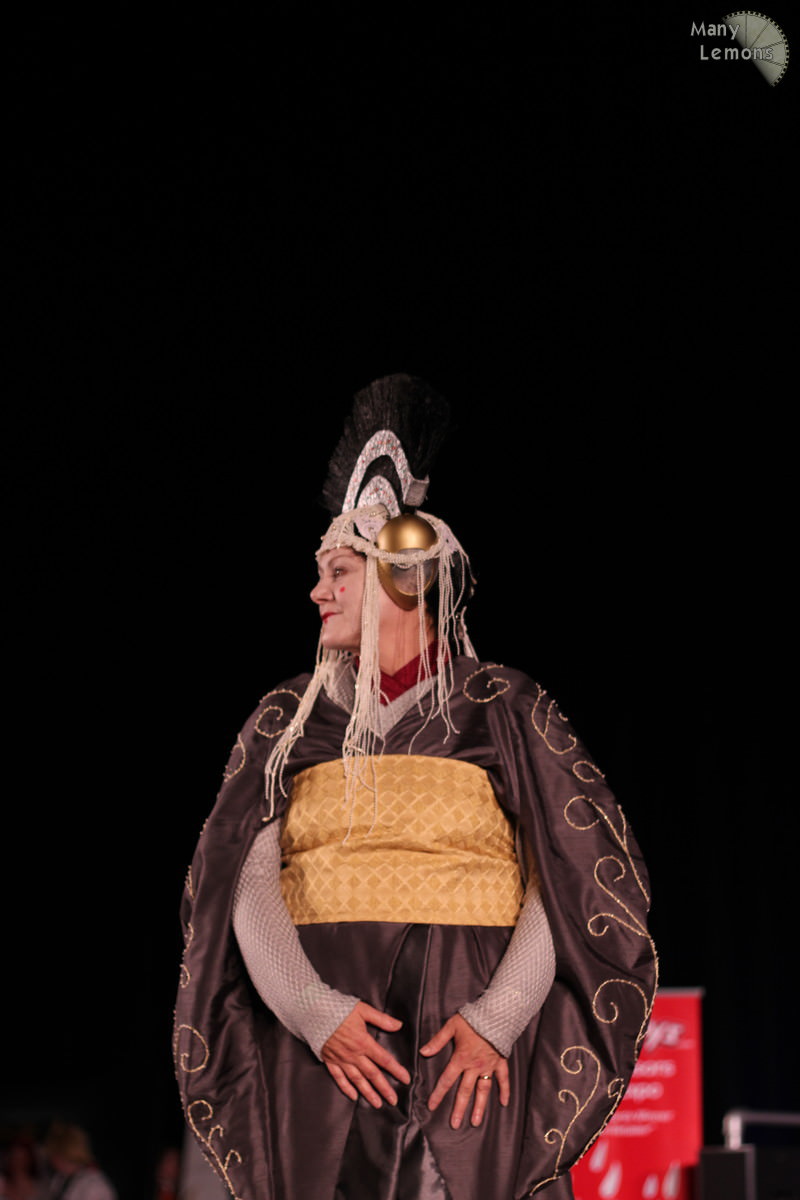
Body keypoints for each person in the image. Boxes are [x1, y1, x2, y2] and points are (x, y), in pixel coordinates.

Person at [174, 375, 657, 1199]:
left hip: (465, 1044)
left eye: (339, 571)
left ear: (402, 578)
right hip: (324, 1050)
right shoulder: (286, 718)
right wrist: (312, 1010)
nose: (317, 591)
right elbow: (244, 880)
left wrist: (498, 1019)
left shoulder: (503, 707)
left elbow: (566, 878)